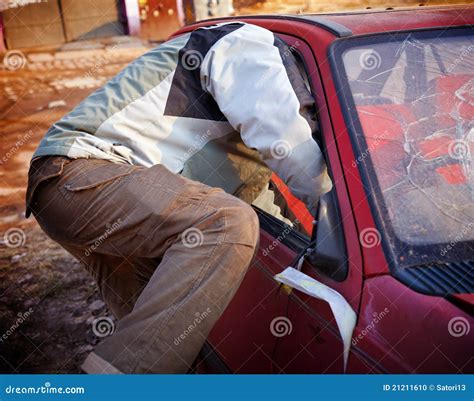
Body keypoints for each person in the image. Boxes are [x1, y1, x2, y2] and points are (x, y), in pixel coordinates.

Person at [26, 22, 332, 373]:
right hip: (82, 173)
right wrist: (338, 218)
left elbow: (263, 200)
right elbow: (291, 147)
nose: (309, 116)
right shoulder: (250, 44)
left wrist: (316, 250)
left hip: (98, 194)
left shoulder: (232, 130)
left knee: (171, 351)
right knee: (227, 223)